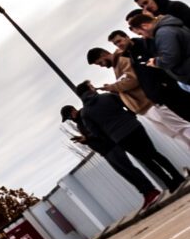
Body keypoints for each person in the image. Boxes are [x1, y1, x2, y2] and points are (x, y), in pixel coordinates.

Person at [70, 76, 182, 204]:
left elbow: (96, 132)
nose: (94, 88)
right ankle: (177, 177)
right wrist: (131, 117)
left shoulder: (85, 113)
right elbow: (127, 104)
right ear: (89, 90)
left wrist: (111, 134)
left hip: (120, 138)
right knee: (154, 153)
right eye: (91, 86)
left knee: (147, 161)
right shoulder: (107, 96)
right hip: (134, 127)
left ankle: (170, 183)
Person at [88, 44, 190, 160]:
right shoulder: (117, 66)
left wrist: (113, 87)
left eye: (99, 63)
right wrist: (114, 87)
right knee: (175, 133)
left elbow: (133, 80)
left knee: (181, 128)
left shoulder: (122, 60)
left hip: (151, 104)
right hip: (145, 108)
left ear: (103, 54)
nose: (101, 66)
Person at [109, 26, 190, 122]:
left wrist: (166, 84)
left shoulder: (144, 45)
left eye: (119, 41)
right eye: (115, 44)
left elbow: (163, 62)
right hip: (162, 96)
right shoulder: (130, 56)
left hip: (172, 89)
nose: (118, 45)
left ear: (127, 37)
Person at [129, 4, 190, 87]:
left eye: (141, 33)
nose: (143, 37)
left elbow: (170, 58)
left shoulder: (163, 33)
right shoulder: (168, 27)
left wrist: (155, 62)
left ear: (145, 26)